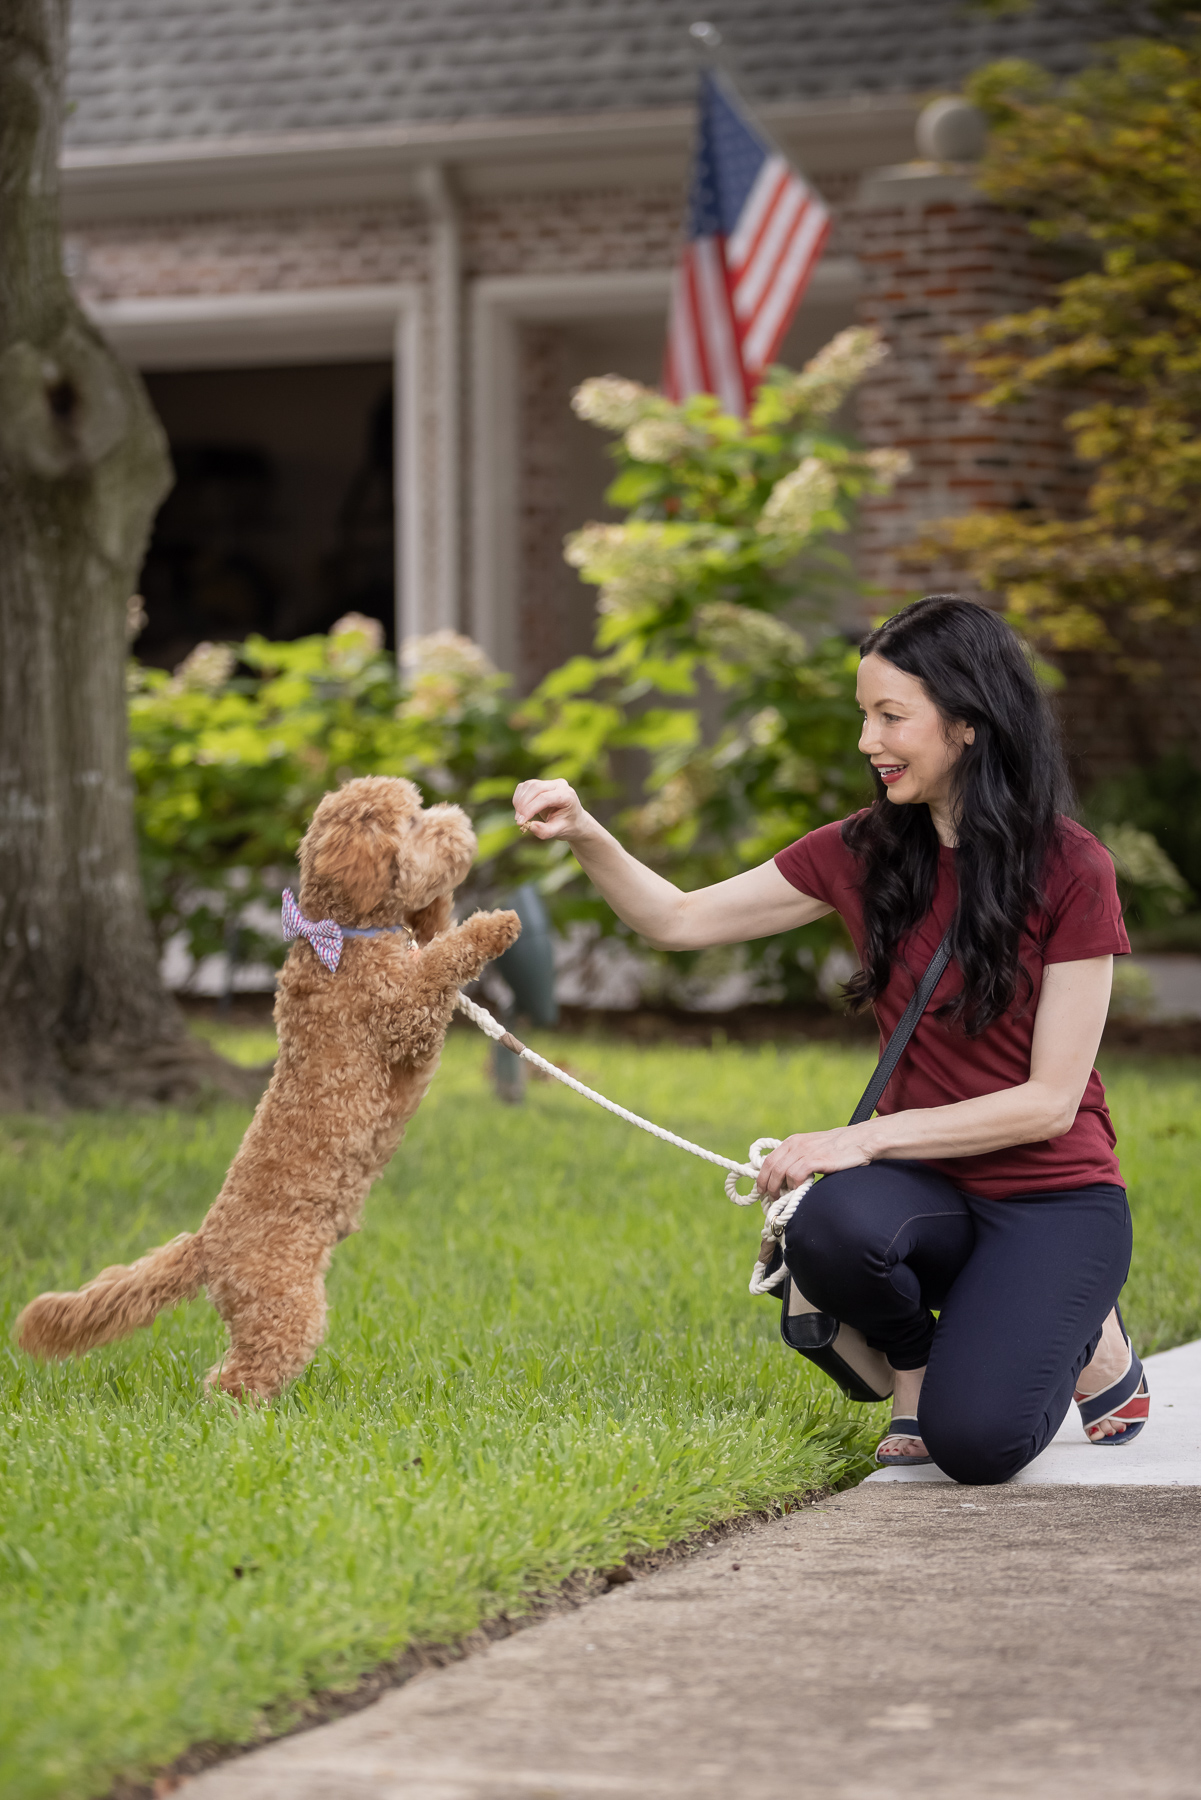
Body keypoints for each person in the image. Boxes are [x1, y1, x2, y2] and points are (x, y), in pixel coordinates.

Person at [512, 595, 1150, 1485]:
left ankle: (1083, 1327)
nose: (867, 742)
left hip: (1052, 1197)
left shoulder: (1071, 867)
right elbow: (678, 919)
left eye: (891, 716)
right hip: (929, 1185)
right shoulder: (864, 850)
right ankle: (914, 1369)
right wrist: (584, 832)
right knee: (829, 1230)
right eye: (864, 714)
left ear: (967, 722)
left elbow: (1047, 1105)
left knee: (978, 1448)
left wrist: (857, 1139)